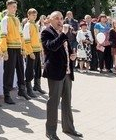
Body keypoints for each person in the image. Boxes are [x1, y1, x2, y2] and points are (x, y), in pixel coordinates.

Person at [41, 11, 81, 140]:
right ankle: (51, 131)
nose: (60, 20)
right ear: (50, 20)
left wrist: (72, 55)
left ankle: (69, 128)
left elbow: (66, 49)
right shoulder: (46, 32)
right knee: (53, 102)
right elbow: (51, 47)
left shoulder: (63, 33)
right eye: (57, 18)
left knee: (67, 102)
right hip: (55, 72)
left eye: (61, 18)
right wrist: (63, 34)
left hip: (67, 72)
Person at [1, 0, 30, 104]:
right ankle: (7, 94)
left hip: (18, 48)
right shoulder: (5, 19)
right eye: (13, 6)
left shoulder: (17, 19)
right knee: (9, 71)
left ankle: (22, 90)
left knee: (21, 69)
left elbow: (21, 35)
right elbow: (3, 36)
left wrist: (23, 48)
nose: (15, 8)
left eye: (16, 7)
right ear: (8, 7)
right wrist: (4, 51)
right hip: (9, 47)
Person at [23, 8, 43, 97]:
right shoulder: (27, 25)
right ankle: (28, 89)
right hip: (31, 51)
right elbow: (26, 40)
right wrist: (30, 52)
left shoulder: (35, 25)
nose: (34, 16)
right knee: (30, 70)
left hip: (37, 50)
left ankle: (37, 86)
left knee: (38, 69)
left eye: (35, 15)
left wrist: (41, 48)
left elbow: (38, 38)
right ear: (28, 15)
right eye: (32, 15)